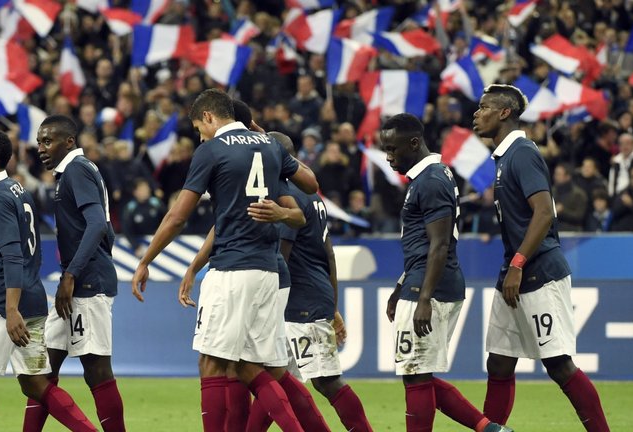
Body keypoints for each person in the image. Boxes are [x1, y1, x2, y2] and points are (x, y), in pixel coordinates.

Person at [131, 89, 319, 432]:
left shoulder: (211, 149)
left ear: (208, 117)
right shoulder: (271, 146)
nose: (200, 136)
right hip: (267, 272)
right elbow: (310, 182)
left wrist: (146, 260)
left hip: (232, 269)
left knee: (212, 363)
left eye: (199, 129)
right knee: (253, 365)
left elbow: (177, 217)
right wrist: (265, 141)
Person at [473, 84, 609, 431]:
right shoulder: (504, 157)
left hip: (537, 271)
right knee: (499, 363)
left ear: (504, 113)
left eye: (484, 107)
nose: (477, 113)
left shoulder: (522, 153)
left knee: (559, 364)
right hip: (514, 273)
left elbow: (544, 213)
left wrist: (518, 263)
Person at [380, 114, 511, 432]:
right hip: (421, 281)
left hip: (431, 286)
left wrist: (423, 297)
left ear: (414, 143)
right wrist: (401, 286)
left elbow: (439, 245)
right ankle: (488, 429)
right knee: (417, 372)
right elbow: (423, 244)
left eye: (392, 148)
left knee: (416, 374)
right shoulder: (427, 178)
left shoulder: (432, 180)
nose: (388, 156)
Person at [0, 128, 96, 432]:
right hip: (33, 299)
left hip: (2, 302)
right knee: (35, 384)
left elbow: (12, 256)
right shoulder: (17, 189)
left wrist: (10, 310)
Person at [27, 115, 126, 431]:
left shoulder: (77, 170)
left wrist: (70, 275)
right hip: (76, 281)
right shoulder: (71, 173)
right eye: (40, 141)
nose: (41, 148)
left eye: (48, 141)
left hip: (88, 281)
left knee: (97, 371)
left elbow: (97, 224)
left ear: (68, 141)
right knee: (39, 373)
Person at [275, 132, 374, 432]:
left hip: (300, 302)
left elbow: (282, 257)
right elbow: (328, 255)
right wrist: (333, 305)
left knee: (325, 380)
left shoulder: (286, 194)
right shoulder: (313, 197)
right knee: (280, 383)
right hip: (313, 297)